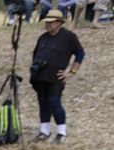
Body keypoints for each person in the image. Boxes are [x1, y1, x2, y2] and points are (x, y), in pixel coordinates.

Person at [28, 10, 85, 143]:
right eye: (47, 22)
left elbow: (80, 53)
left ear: (59, 22)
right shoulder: (43, 37)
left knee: (54, 102)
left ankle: (61, 132)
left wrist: (71, 72)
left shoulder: (69, 36)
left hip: (56, 77)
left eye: (51, 22)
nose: (48, 24)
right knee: (43, 102)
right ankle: (44, 131)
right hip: (40, 76)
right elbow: (35, 55)